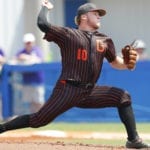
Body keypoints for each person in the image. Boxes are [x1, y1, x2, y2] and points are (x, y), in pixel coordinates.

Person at [0, 1, 149, 149]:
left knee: (123, 96)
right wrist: (45, 8)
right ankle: (2, 128)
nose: (99, 17)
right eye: (96, 14)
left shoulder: (105, 40)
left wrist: (127, 63)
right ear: (83, 17)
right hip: (67, 89)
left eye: (99, 15)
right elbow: (43, 24)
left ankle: (133, 140)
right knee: (39, 120)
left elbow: (115, 62)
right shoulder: (69, 35)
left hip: (89, 91)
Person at [15, 33, 45, 113]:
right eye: (27, 43)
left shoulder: (37, 50)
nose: (28, 44)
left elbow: (39, 59)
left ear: (33, 42)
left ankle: (42, 118)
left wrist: (26, 58)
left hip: (37, 81)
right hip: (26, 81)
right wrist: (25, 58)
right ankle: (33, 120)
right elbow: (16, 58)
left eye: (30, 42)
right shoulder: (22, 51)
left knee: (38, 102)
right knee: (30, 103)